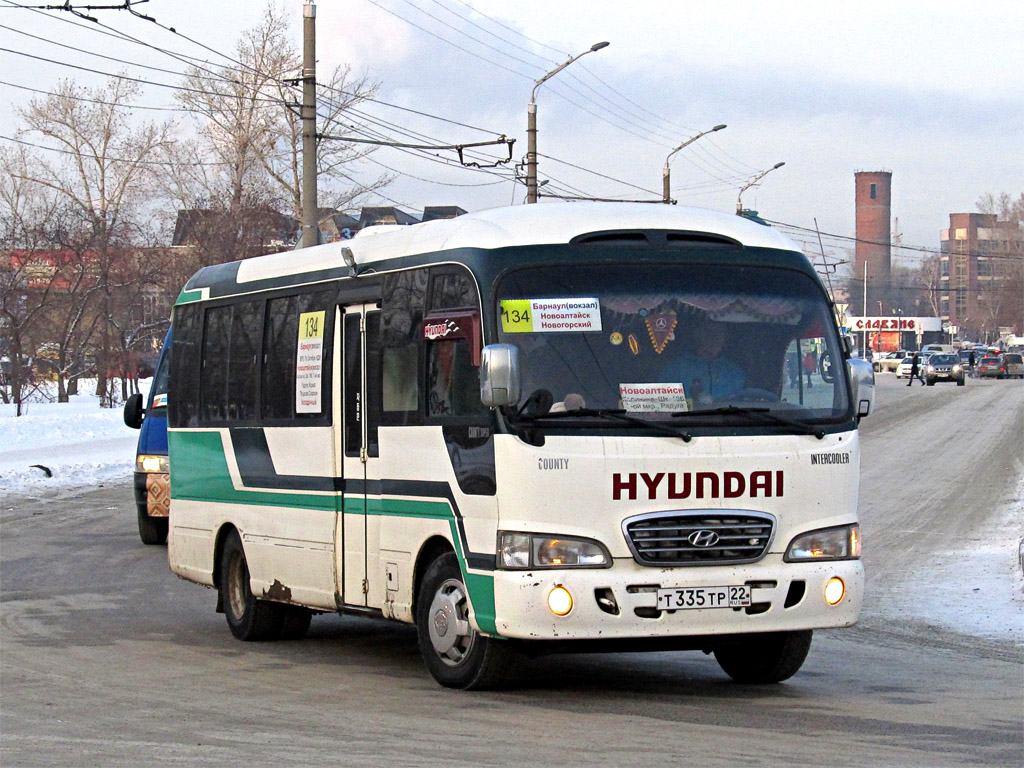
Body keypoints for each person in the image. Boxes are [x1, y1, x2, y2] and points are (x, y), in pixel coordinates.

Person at [661, 320, 744, 405]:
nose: (715, 338)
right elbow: (662, 406)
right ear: (697, 334)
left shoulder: (735, 372)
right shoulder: (676, 369)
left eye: (719, 333)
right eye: (708, 332)